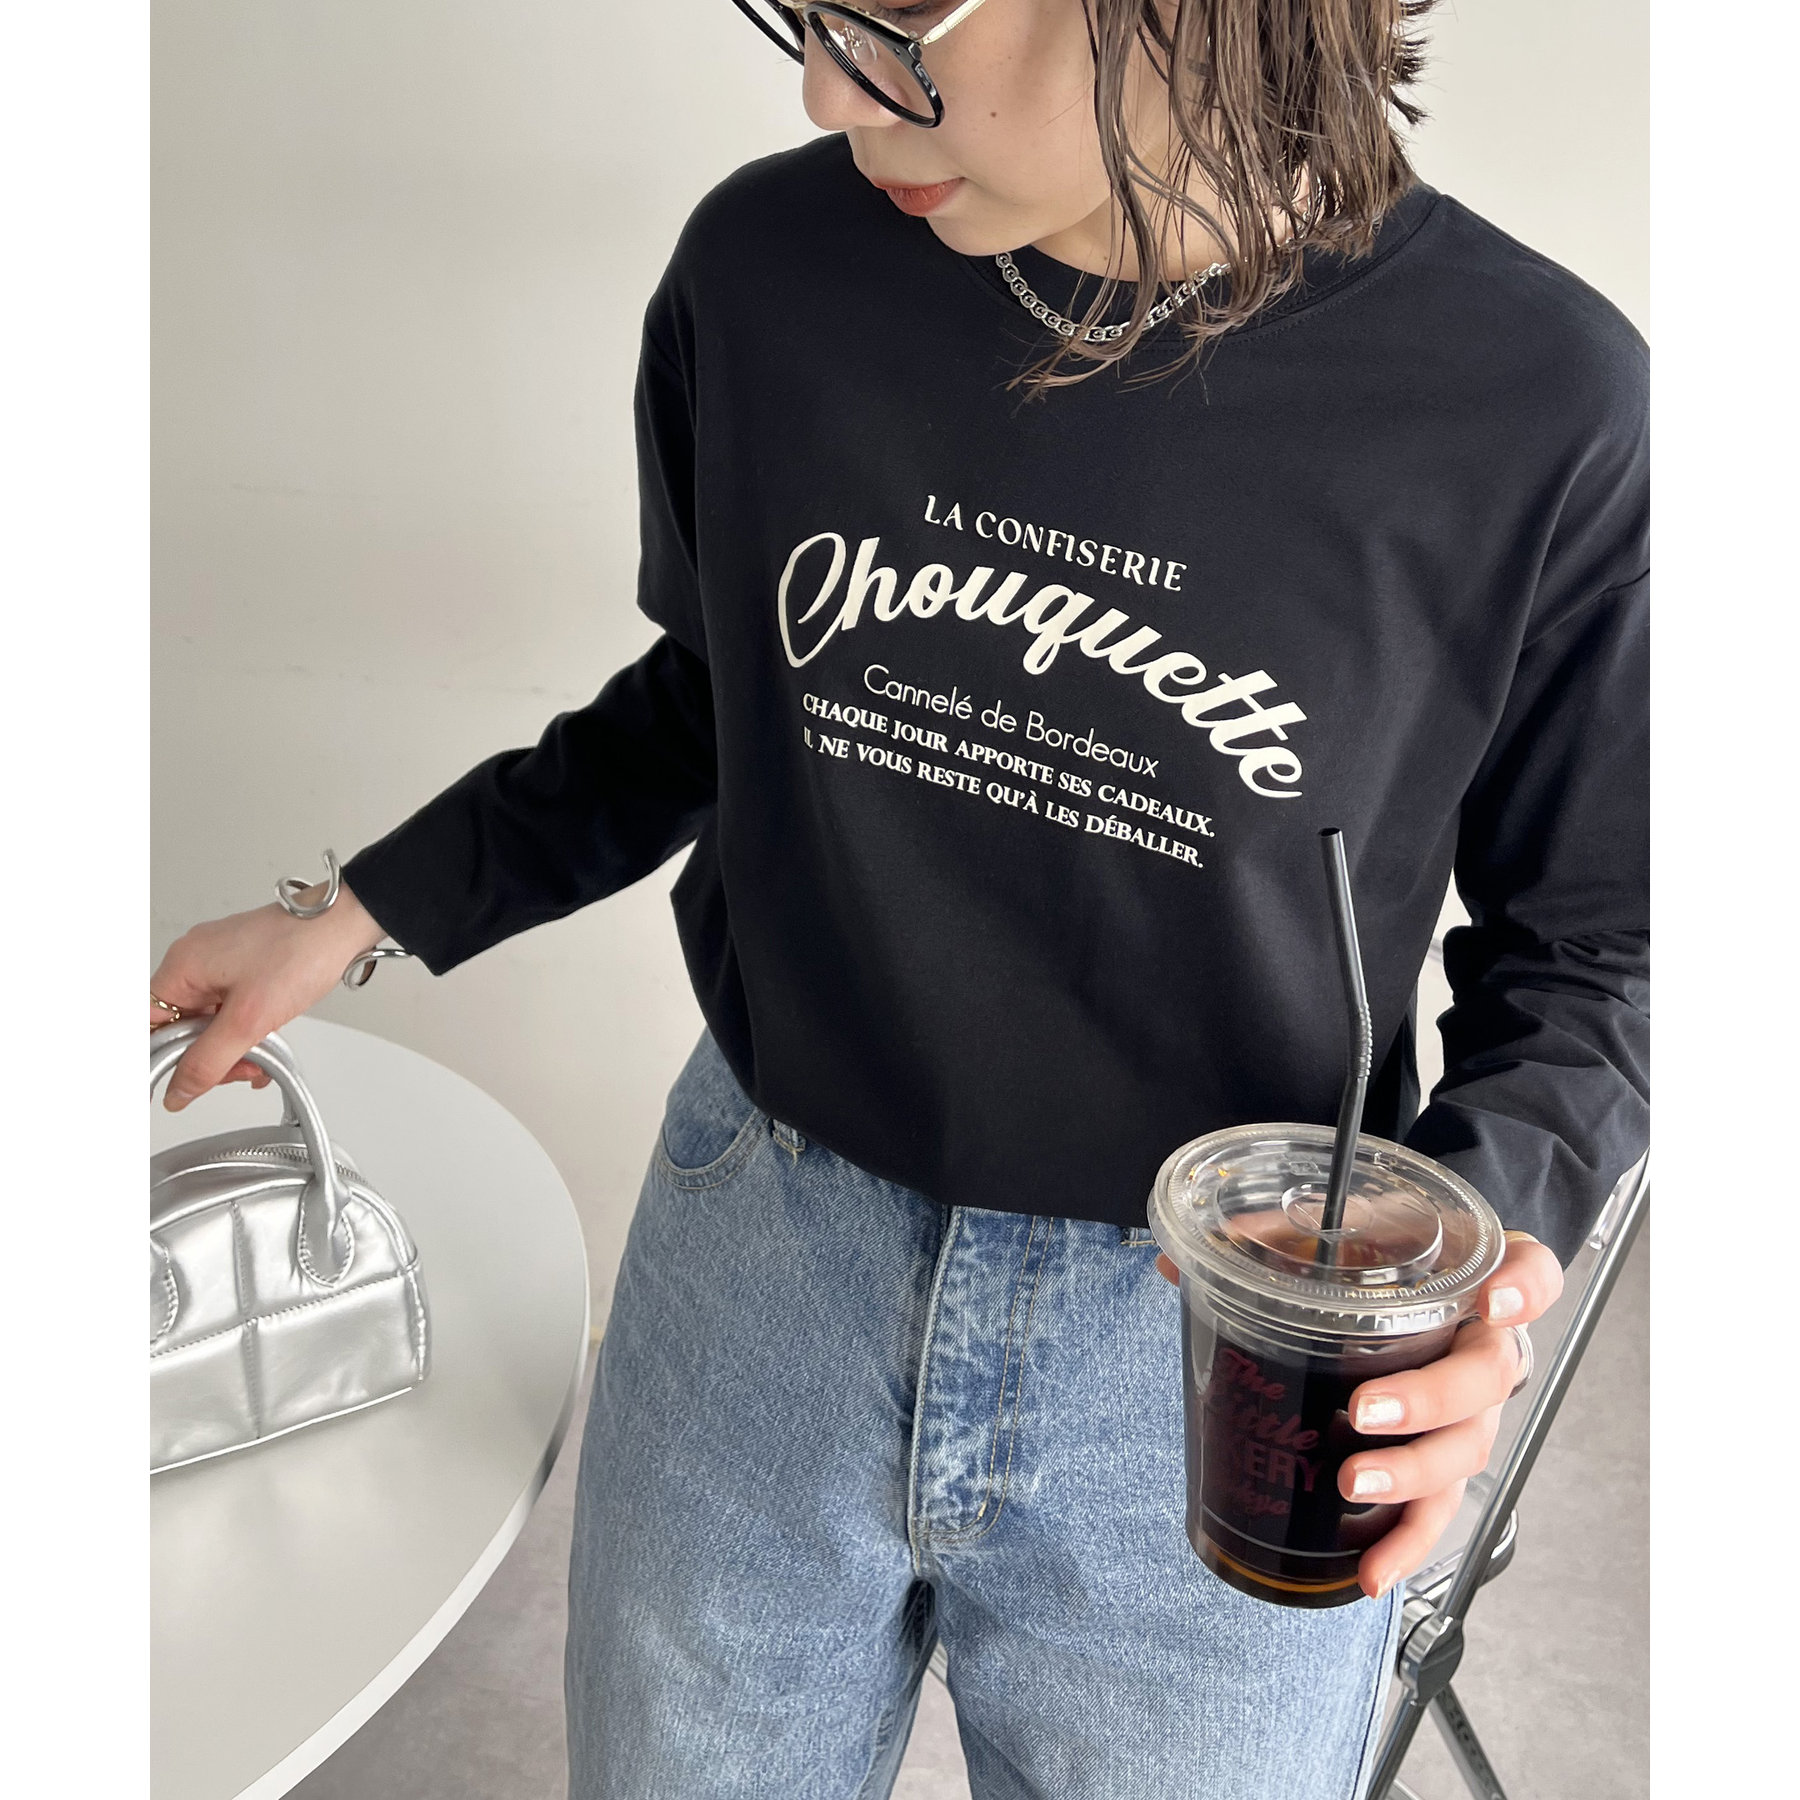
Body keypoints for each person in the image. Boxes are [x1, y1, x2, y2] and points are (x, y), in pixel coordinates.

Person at [149, 2, 1647, 1795]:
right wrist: (359, 908)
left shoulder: (1535, 402)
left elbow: (1598, 951)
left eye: (897, 16)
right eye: (805, 11)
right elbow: (720, 700)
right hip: (765, 1257)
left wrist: (1467, 1275)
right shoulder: (767, 274)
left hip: (1216, 1341)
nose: (823, 90)